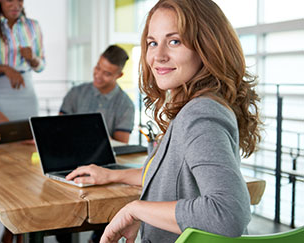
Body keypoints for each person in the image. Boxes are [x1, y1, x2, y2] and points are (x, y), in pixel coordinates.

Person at [65, 0, 262, 242]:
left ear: (206, 46)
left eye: (174, 41)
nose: (157, 56)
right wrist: (110, 175)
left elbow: (228, 214)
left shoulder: (201, 114)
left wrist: (135, 210)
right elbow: (167, 177)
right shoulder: (195, 108)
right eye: (152, 43)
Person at [60, 45, 135, 143]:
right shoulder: (75, 93)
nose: (98, 75)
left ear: (119, 75)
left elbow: (121, 145)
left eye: (107, 74)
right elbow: (60, 129)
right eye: (98, 67)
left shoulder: (126, 105)